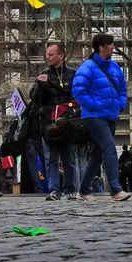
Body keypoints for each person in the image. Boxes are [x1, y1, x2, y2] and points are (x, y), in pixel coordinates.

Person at [71, 33, 131, 202]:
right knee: (110, 148)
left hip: (110, 115)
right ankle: (116, 190)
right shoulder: (87, 67)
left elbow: (122, 88)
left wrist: (120, 104)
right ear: (101, 47)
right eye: (110, 45)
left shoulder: (115, 67)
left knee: (97, 154)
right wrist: (95, 105)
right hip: (94, 115)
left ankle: (83, 191)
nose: (113, 47)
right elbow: (78, 91)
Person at [30, 43, 76, 201]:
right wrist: (41, 86)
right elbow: (35, 99)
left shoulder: (72, 74)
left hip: (66, 122)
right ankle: (54, 190)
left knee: (68, 158)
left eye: (51, 54)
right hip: (48, 123)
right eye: (47, 54)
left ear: (61, 56)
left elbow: (77, 98)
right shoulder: (44, 74)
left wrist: (69, 115)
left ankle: (70, 188)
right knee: (51, 159)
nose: (47, 57)